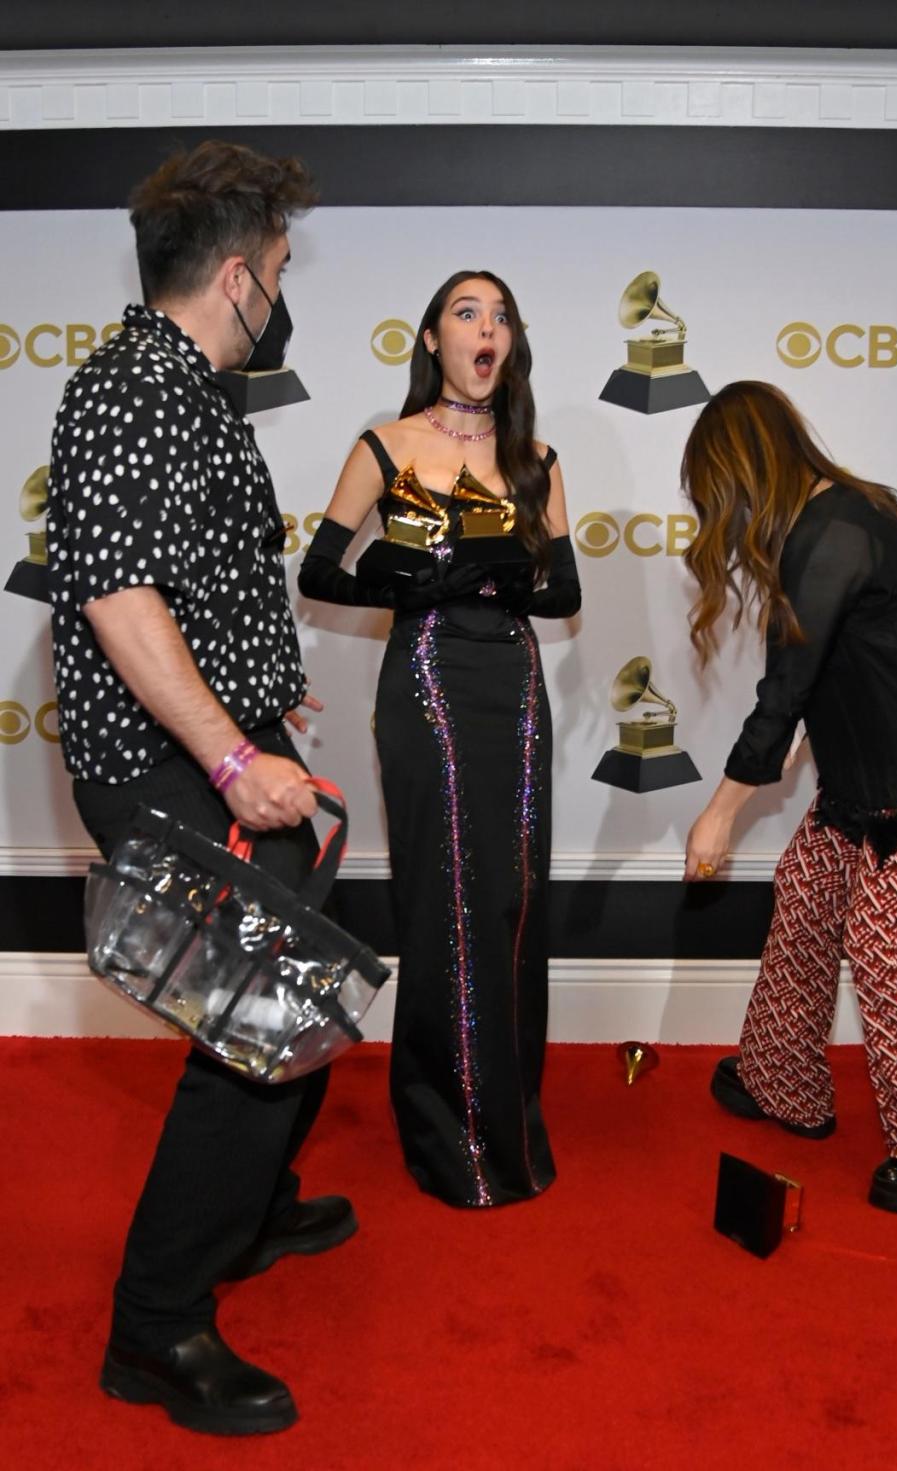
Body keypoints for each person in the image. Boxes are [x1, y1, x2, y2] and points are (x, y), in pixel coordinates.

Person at [48, 140, 355, 1436]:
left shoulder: (184, 388)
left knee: (311, 981)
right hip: (171, 768)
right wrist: (233, 757)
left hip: (219, 746)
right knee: (267, 1017)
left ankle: (249, 1212)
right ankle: (155, 1324)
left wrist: (262, 704)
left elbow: (188, 585)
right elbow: (119, 598)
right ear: (236, 277)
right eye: (279, 268)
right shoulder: (129, 387)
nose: (282, 292)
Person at [681, 380, 897, 1215]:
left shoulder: (833, 531)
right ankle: (783, 1082)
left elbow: (784, 688)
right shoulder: (838, 518)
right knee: (805, 897)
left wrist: (719, 812)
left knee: (880, 945)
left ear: (743, 476)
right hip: (872, 772)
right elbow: (828, 675)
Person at [299, 270, 580, 1207]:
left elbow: (565, 594)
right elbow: (320, 572)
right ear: (430, 340)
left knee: (512, 897)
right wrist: (407, 583)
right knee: (447, 893)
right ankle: (442, 1126)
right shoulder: (386, 445)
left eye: (502, 314)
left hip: (513, 682)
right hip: (423, 679)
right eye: (468, 312)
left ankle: (510, 1120)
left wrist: (498, 579)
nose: (487, 328)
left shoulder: (535, 456)